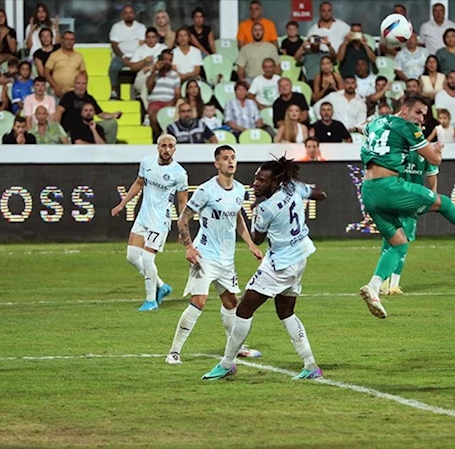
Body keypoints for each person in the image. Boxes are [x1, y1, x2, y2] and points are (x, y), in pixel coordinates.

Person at [357, 95, 455, 319]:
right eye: (418, 112)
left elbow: (362, 127)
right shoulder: (408, 127)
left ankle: (373, 287)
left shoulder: (378, 121)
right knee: (444, 203)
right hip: (389, 187)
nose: (421, 118)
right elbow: (434, 160)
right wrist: (437, 150)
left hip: (368, 190)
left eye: (424, 115)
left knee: (399, 244)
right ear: (404, 109)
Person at [202, 156, 327, 381]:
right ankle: (310, 365)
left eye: (261, 180)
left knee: (243, 310)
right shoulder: (293, 187)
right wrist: (300, 192)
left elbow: (257, 239)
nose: (255, 184)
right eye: (255, 178)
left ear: (275, 182)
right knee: (285, 312)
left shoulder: (265, 209)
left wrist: (253, 216)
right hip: (300, 257)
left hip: (280, 265)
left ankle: (227, 364)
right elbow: (321, 194)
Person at [167, 145, 264, 364]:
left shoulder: (239, 189)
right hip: (204, 255)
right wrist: (188, 247)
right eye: (225, 158)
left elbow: (237, 217)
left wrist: (250, 244)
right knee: (199, 301)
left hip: (226, 259)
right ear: (216, 163)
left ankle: (236, 347)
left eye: (233, 158)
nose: (230, 162)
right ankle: (174, 352)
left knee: (231, 302)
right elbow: (183, 218)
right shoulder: (206, 190)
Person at [111, 134, 188, 311]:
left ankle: (151, 300)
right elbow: (138, 184)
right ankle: (162, 286)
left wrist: (182, 229)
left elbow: (182, 202)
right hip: (143, 217)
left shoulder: (179, 173)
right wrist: (122, 204)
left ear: (175, 149)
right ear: (158, 147)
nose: (167, 149)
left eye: (170, 146)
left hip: (160, 222)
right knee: (132, 256)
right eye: (163, 146)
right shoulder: (147, 163)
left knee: (147, 259)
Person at [378, 137, 439, 296]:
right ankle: (383, 282)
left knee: (403, 241)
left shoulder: (425, 151)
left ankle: (394, 285)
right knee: (389, 240)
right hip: (392, 201)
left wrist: (433, 194)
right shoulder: (395, 148)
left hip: (412, 203)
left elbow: (432, 174)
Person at [55, 73, 121, 141]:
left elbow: (101, 114)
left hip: (88, 128)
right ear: (74, 84)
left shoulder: (89, 98)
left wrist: (113, 115)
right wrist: (59, 131)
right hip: (71, 131)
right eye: (78, 83)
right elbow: (58, 111)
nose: (81, 86)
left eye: (83, 83)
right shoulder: (68, 96)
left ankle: (107, 146)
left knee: (112, 124)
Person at [108, 5, 146, 100]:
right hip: (121, 56)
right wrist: (123, 57)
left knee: (144, 66)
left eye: (131, 12)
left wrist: (135, 58)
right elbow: (114, 45)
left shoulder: (141, 27)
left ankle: (139, 93)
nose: (128, 15)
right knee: (114, 66)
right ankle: (113, 91)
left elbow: (142, 45)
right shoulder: (116, 27)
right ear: (122, 15)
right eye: (126, 13)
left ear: (134, 14)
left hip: (137, 57)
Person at [144, 50, 180, 138]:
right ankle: (158, 137)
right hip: (155, 101)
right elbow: (148, 86)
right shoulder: (154, 73)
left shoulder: (175, 75)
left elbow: (177, 94)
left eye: (169, 60)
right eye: (165, 59)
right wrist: (154, 71)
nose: (167, 62)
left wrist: (171, 103)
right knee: (153, 117)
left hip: (169, 102)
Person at [129, 27, 166, 107]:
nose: (151, 40)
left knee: (146, 85)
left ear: (157, 38)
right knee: (145, 83)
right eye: (148, 37)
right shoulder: (140, 49)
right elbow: (132, 67)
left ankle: (146, 108)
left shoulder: (163, 48)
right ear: (145, 38)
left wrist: (153, 68)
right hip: (142, 75)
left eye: (153, 37)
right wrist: (144, 61)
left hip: (159, 75)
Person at [45, 31, 86, 97]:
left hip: (74, 93)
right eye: (67, 39)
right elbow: (46, 73)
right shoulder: (54, 55)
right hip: (57, 92)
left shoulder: (79, 56)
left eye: (72, 39)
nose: (69, 42)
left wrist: (83, 89)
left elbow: (84, 74)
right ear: (62, 40)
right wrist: (55, 87)